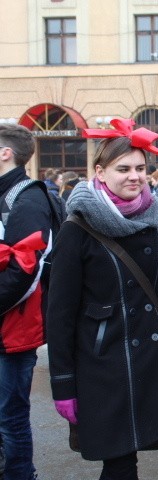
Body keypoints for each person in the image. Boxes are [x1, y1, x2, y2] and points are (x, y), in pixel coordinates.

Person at [46, 118, 158, 480]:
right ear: (100, 172)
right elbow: (59, 314)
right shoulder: (77, 227)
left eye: (140, 168)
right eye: (123, 168)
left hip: (150, 360)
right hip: (103, 363)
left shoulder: (157, 220)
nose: (134, 176)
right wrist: (63, 383)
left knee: (131, 457)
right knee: (119, 462)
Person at [0, 124, 54, 480]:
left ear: (5, 152)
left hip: (13, 332)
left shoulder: (27, 196)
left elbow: (27, 268)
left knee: (10, 418)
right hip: (8, 326)